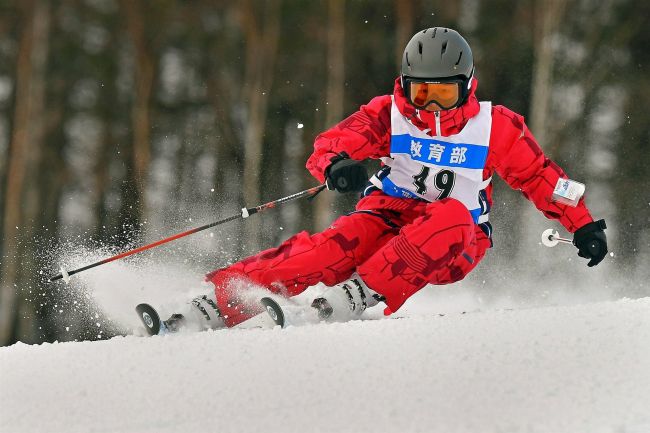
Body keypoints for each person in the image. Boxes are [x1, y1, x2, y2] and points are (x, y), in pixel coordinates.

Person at [179, 27, 608, 331]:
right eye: (423, 93)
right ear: (406, 86)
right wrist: (336, 164)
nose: (433, 106)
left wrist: (582, 223)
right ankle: (217, 301)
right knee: (328, 249)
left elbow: (540, 176)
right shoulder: (391, 114)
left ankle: (362, 292)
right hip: (387, 215)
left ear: (467, 86)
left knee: (454, 215)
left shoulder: (495, 127)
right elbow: (337, 140)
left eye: (445, 93)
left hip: (454, 240)